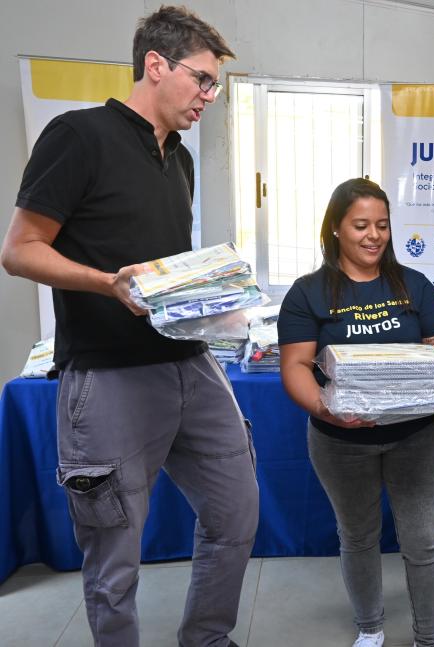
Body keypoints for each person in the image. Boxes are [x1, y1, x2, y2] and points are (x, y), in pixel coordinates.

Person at [0, 6, 257, 647]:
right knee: (114, 563)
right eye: (202, 79)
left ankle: (206, 638)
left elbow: (161, 271)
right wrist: (107, 282)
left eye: (215, 85)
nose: (210, 95)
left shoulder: (181, 160)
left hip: (189, 364)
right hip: (108, 376)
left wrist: (209, 297)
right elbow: (20, 250)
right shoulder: (78, 135)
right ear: (155, 65)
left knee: (237, 514)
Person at [278, 178, 434, 647]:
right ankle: (370, 628)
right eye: (360, 225)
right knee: (358, 536)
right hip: (340, 441)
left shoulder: (414, 285)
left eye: (381, 225)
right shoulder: (308, 292)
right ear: (336, 229)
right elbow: (296, 366)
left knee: (424, 541)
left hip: (415, 436)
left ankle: (429, 638)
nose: (373, 235)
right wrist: (328, 409)